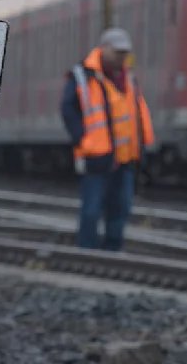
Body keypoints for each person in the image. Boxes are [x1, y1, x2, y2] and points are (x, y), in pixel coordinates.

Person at [61, 28, 155, 251]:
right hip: (96, 156)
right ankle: (87, 251)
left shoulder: (129, 78)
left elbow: (136, 113)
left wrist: (142, 148)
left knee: (120, 208)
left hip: (125, 158)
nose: (122, 57)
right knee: (92, 209)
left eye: (125, 53)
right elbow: (68, 109)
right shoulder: (84, 76)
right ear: (103, 49)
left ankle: (112, 251)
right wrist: (81, 139)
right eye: (118, 52)